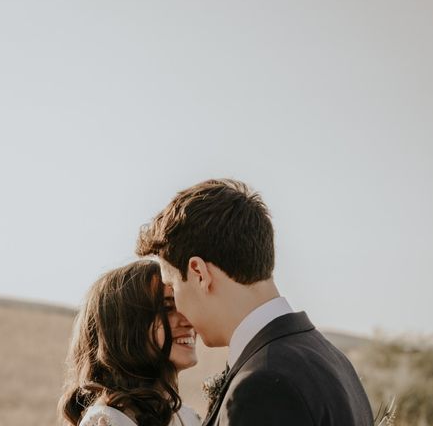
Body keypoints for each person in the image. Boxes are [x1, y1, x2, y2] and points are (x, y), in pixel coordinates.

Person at [136, 179, 374, 425]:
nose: (179, 308)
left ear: (199, 273)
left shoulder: (261, 386)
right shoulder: (332, 359)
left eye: (173, 287)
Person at [59, 260, 201, 426]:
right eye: (167, 308)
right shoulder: (107, 421)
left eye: (183, 306)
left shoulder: (188, 417)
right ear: (125, 328)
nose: (188, 320)